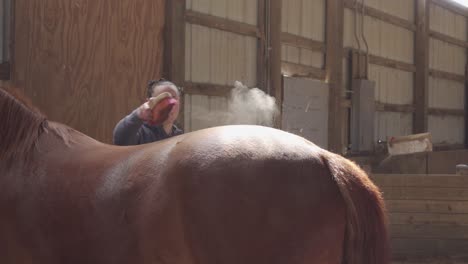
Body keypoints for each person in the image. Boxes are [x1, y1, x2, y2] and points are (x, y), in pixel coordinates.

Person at [113, 79, 184, 146]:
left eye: (174, 97)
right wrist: (138, 114)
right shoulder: (141, 132)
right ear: (149, 102)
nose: (169, 104)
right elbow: (121, 140)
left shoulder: (180, 136)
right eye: (162, 99)